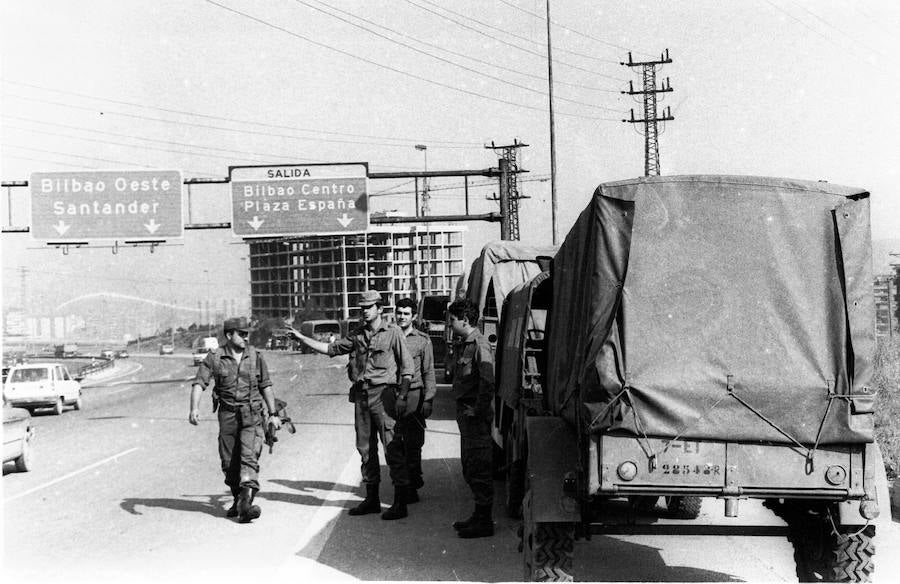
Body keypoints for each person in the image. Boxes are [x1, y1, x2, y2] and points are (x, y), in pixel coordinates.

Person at [288, 290, 414, 520]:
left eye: (369, 307)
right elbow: (330, 349)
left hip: (384, 396)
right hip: (362, 397)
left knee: (392, 448)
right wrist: (302, 338)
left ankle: (399, 502)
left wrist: (403, 397)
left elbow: (407, 369)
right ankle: (372, 499)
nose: (364, 311)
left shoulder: (393, 333)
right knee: (365, 450)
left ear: (380, 309)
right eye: (362, 308)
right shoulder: (357, 335)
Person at [188, 317, 281, 524]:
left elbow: (266, 385)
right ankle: (239, 499)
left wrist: (273, 414)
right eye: (241, 333)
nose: (246, 337)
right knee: (229, 462)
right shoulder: (215, 357)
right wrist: (194, 408)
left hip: (252, 414)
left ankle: (246, 505)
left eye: (247, 333)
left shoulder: (256, 356)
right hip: (227, 415)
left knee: (248, 458)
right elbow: (199, 383)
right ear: (229, 335)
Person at [447, 298, 495, 538]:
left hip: (475, 418)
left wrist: (478, 409)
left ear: (464, 320)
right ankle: (478, 515)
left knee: (479, 467)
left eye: (453, 321)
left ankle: (485, 521)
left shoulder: (479, 345)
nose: (450, 325)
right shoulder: (465, 344)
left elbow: (488, 381)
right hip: (467, 417)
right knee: (469, 466)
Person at [393, 297, 437, 503]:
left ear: (414, 316)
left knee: (413, 442)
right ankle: (402, 483)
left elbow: (429, 371)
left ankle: (412, 483)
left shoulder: (422, 340)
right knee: (394, 441)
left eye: (406, 313)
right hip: (391, 394)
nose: (401, 317)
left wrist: (428, 400)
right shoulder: (389, 336)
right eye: (399, 313)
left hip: (414, 395)